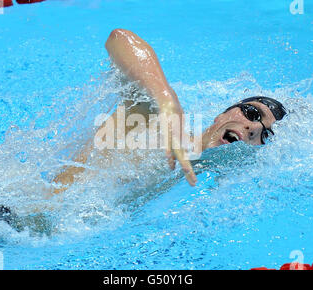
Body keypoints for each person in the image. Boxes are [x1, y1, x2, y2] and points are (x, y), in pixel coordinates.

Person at [52, 28, 286, 193]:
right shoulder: (154, 124)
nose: (254, 127)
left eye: (266, 134)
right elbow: (119, 38)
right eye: (253, 114)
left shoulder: (205, 182)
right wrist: (166, 98)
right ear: (223, 114)